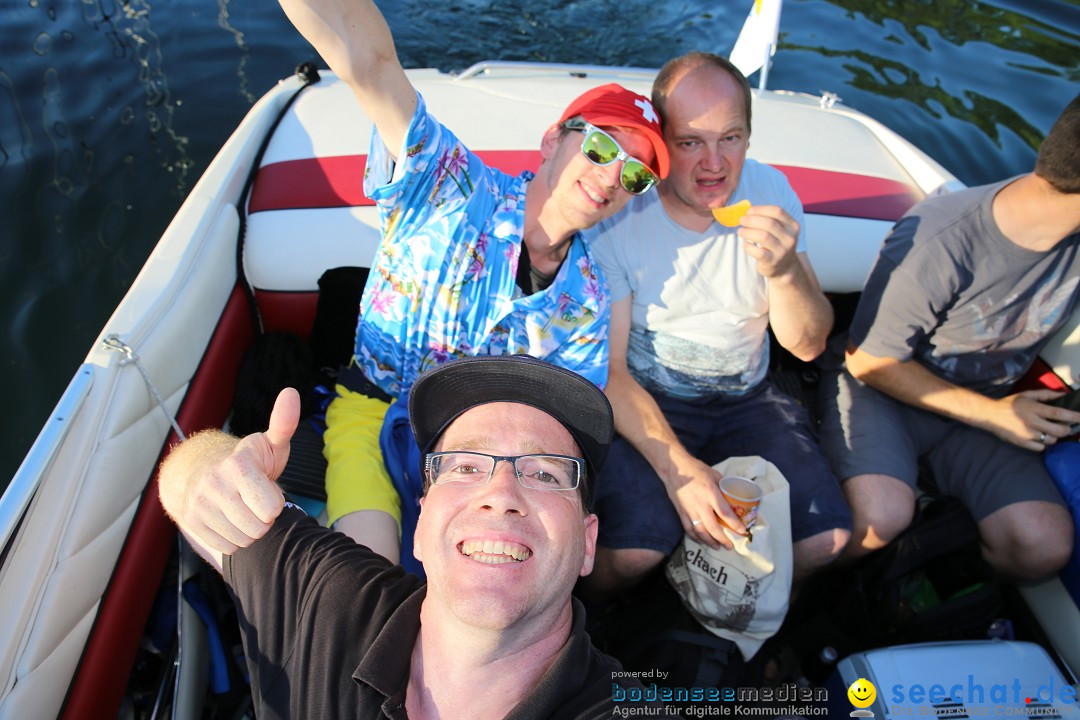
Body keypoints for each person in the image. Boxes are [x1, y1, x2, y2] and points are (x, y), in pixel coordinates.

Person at [276, 0, 669, 564]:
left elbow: (565, 426)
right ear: (554, 139)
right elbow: (369, 61)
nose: (611, 176)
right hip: (371, 412)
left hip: (484, 462)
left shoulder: (588, 299)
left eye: (635, 174)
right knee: (374, 580)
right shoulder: (448, 185)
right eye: (602, 146)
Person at [158, 354, 665, 718]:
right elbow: (184, 480)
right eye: (466, 466)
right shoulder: (334, 601)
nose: (501, 493)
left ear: (588, 543)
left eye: (545, 474)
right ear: (420, 525)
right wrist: (214, 472)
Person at [580, 52, 852, 598]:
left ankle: (738, 624)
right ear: (661, 141)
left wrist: (784, 269)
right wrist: (682, 471)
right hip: (648, 397)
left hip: (749, 397)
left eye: (731, 138)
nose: (714, 164)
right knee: (635, 551)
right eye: (690, 143)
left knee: (830, 541)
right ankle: (595, 622)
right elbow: (609, 372)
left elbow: (807, 344)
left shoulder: (771, 192)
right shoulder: (621, 217)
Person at [816, 93, 1080, 581]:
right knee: (879, 517)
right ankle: (796, 593)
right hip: (885, 391)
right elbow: (870, 361)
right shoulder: (942, 236)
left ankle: (921, 572)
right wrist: (996, 416)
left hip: (983, 408)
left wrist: (995, 412)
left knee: (1041, 546)